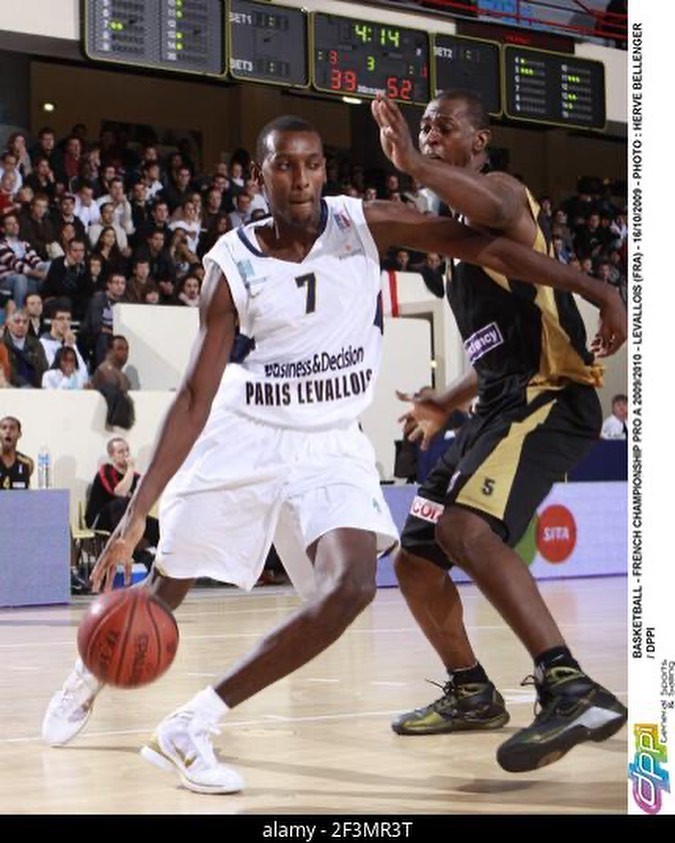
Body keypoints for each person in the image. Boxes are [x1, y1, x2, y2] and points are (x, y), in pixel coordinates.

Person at [41, 115, 626, 794]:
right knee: (166, 587)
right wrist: (137, 511)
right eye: (285, 166)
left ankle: (192, 722)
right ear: (258, 176)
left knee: (351, 587)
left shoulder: (362, 222)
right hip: (247, 432)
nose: (301, 179)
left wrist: (596, 288)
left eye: (313, 164)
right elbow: (195, 396)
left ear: (325, 170)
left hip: (330, 440)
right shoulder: (231, 265)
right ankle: (92, 666)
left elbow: (488, 248)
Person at [371, 90, 627, 773]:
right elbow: (497, 346)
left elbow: (495, 208)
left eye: (443, 126)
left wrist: (414, 164)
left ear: (478, 141)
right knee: (415, 556)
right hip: (498, 400)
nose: (429, 132)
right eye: (424, 126)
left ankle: (570, 687)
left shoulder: (503, 193)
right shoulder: (457, 241)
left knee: (465, 529)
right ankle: (471, 692)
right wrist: (443, 398)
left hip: (551, 394)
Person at [84, 437, 159, 568]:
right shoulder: (106, 471)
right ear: (112, 456)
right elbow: (120, 492)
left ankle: (161, 559)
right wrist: (130, 468)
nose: (126, 454)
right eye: (121, 451)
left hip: (125, 520)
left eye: (127, 450)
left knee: (155, 524)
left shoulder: (136, 477)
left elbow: (143, 501)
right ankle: (136, 554)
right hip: (100, 520)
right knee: (122, 504)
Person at [0, 416, 33, 490]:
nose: (8, 431)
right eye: (4, 428)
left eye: (12, 428)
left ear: (19, 434)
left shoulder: (27, 463)